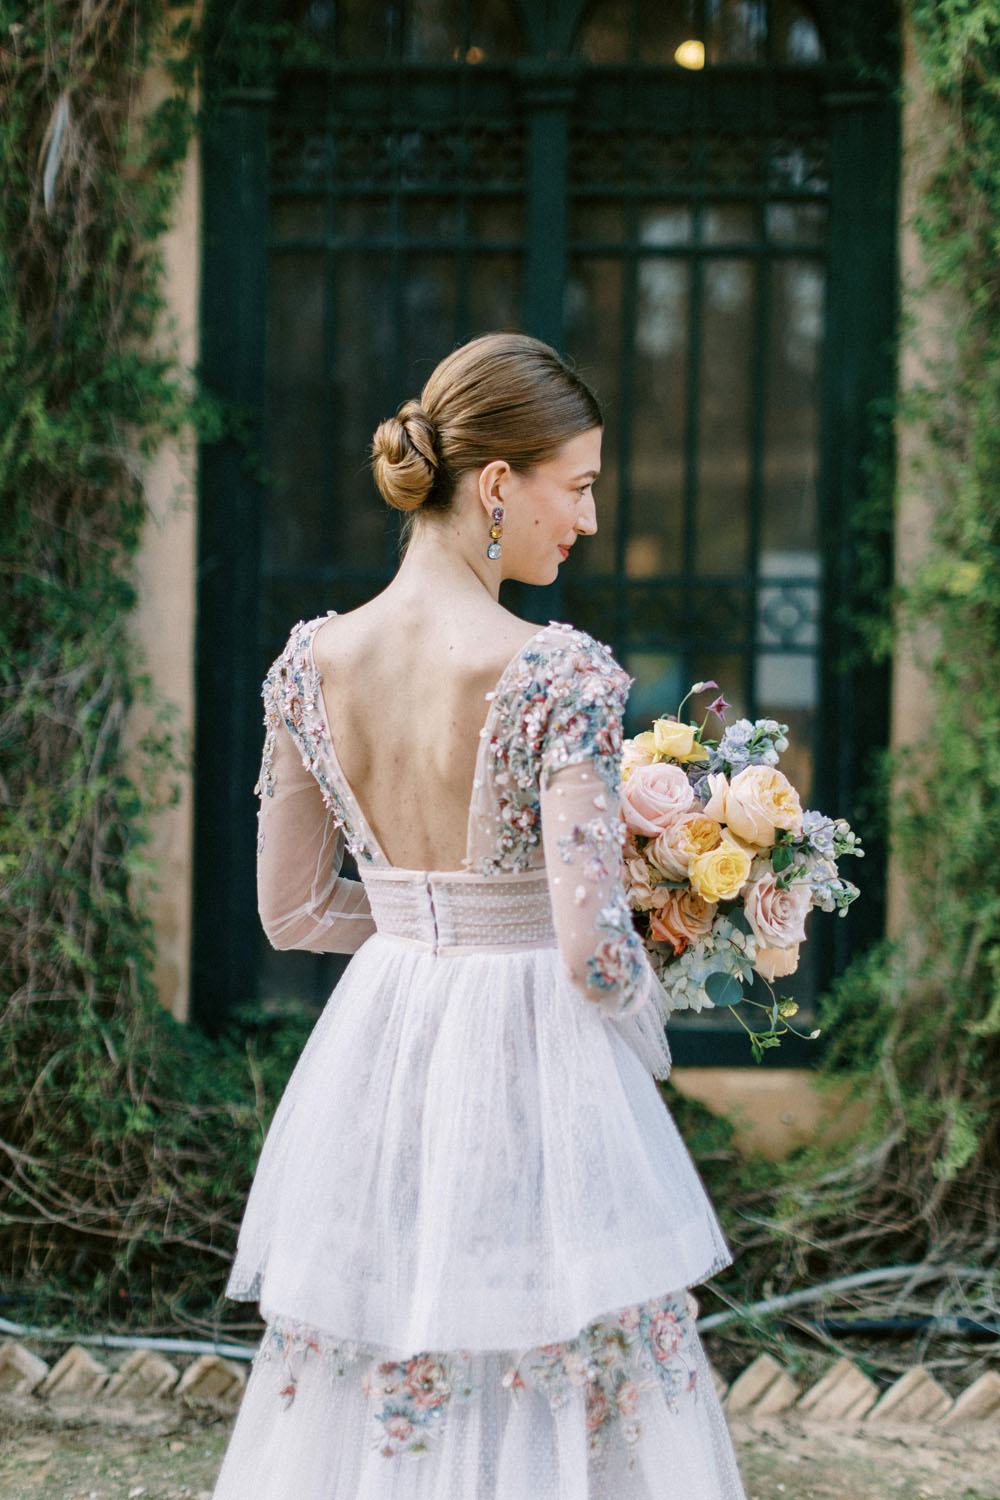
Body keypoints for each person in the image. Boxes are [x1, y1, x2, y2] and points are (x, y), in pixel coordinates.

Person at [211, 332, 746, 1499]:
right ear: (499, 483)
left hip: (382, 1036)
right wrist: (660, 932)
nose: (590, 521)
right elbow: (594, 959)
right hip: (532, 1046)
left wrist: (424, 924)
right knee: (552, 1331)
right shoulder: (559, 672)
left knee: (397, 1327)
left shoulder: (310, 663)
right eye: (582, 486)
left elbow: (291, 910)